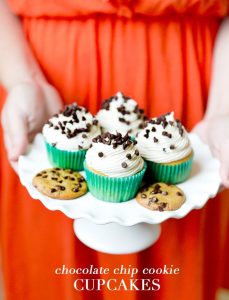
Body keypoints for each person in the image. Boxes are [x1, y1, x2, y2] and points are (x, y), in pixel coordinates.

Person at [0, 0, 229, 299]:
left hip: (197, 88)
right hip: (42, 80)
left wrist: (223, 109)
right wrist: (23, 79)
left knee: (177, 269)